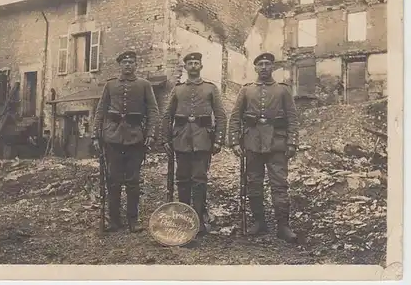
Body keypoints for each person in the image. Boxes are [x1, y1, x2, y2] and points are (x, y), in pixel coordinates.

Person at [227, 52, 300, 243]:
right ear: (255, 68)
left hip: (277, 144)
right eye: (261, 64)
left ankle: (283, 226)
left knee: (279, 185)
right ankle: (259, 222)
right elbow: (235, 117)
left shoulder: (283, 90)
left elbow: (292, 118)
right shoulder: (246, 91)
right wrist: (234, 142)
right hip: (252, 143)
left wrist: (292, 142)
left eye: (268, 64)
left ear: (273, 67)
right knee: (254, 183)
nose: (264, 67)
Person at [159, 52, 227, 237]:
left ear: (201, 66)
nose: (194, 66)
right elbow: (167, 115)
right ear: (186, 67)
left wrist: (219, 140)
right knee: (182, 179)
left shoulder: (211, 89)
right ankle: (184, 218)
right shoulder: (178, 89)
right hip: (181, 140)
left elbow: (220, 115)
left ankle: (198, 219)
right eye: (190, 63)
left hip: (203, 140)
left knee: (199, 180)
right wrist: (165, 139)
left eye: (197, 63)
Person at [91, 50, 159, 233]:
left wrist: (151, 134)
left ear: (136, 65)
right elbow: (100, 111)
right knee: (113, 180)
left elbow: (153, 111)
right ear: (119, 65)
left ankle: (133, 220)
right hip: (112, 138)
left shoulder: (144, 85)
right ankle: (114, 220)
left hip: (136, 138)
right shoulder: (110, 85)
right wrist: (96, 136)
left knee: (133, 181)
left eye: (131, 62)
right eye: (124, 62)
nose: (128, 65)